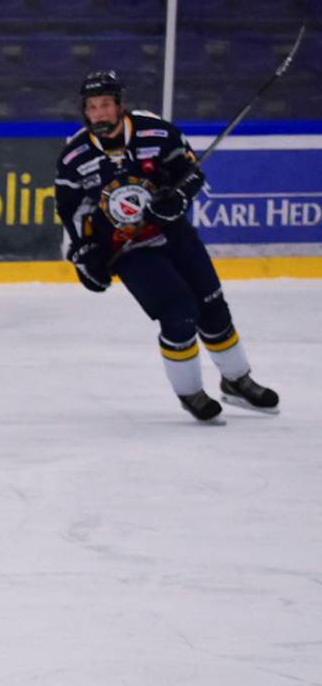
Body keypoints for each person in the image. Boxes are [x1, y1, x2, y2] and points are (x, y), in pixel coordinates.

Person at [56, 70, 279, 422]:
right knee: (179, 313)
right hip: (129, 249)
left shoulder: (156, 133)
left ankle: (237, 381)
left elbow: (190, 174)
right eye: (92, 107)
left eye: (106, 105)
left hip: (174, 234)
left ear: (121, 105)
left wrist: (176, 199)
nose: (99, 113)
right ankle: (190, 392)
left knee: (212, 307)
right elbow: (71, 211)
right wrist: (84, 255)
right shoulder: (75, 157)